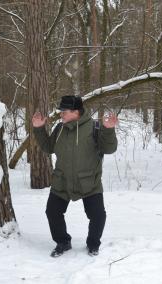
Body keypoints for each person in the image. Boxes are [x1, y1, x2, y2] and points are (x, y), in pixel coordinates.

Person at [32, 95, 118, 257]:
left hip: (89, 182)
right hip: (62, 180)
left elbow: (109, 149)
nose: (61, 114)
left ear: (76, 112)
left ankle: (93, 244)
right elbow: (48, 147)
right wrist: (38, 129)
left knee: (98, 215)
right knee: (52, 212)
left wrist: (108, 130)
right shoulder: (60, 129)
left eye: (64, 111)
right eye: (60, 111)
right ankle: (63, 242)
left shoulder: (95, 127)